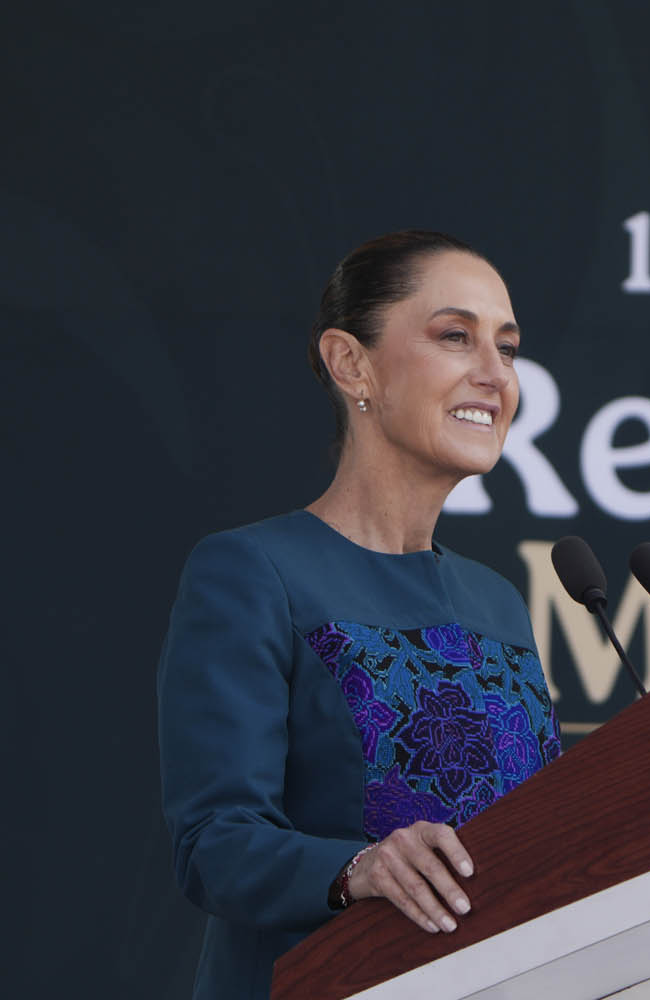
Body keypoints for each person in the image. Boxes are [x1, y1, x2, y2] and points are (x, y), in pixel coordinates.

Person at [158, 231, 561, 1000]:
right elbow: (214, 843)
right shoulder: (251, 571)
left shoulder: (498, 601)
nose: (494, 375)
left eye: (507, 349)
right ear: (352, 364)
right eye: (455, 337)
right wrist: (358, 868)